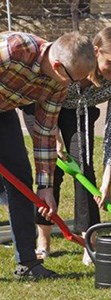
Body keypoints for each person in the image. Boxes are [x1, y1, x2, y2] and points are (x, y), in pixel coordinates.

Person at [22, 27, 111, 265]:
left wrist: (106, 183)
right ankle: (43, 240)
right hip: (40, 106)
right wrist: (54, 139)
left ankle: (88, 243)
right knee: (50, 172)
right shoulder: (73, 66)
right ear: (95, 52)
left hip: (78, 112)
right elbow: (45, 97)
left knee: (84, 169)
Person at [0, 31, 96, 280]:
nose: (72, 87)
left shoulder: (57, 83)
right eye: (72, 80)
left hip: (3, 109)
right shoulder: (12, 50)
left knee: (21, 183)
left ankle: (27, 264)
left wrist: (45, 187)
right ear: (56, 65)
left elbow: (44, 134)